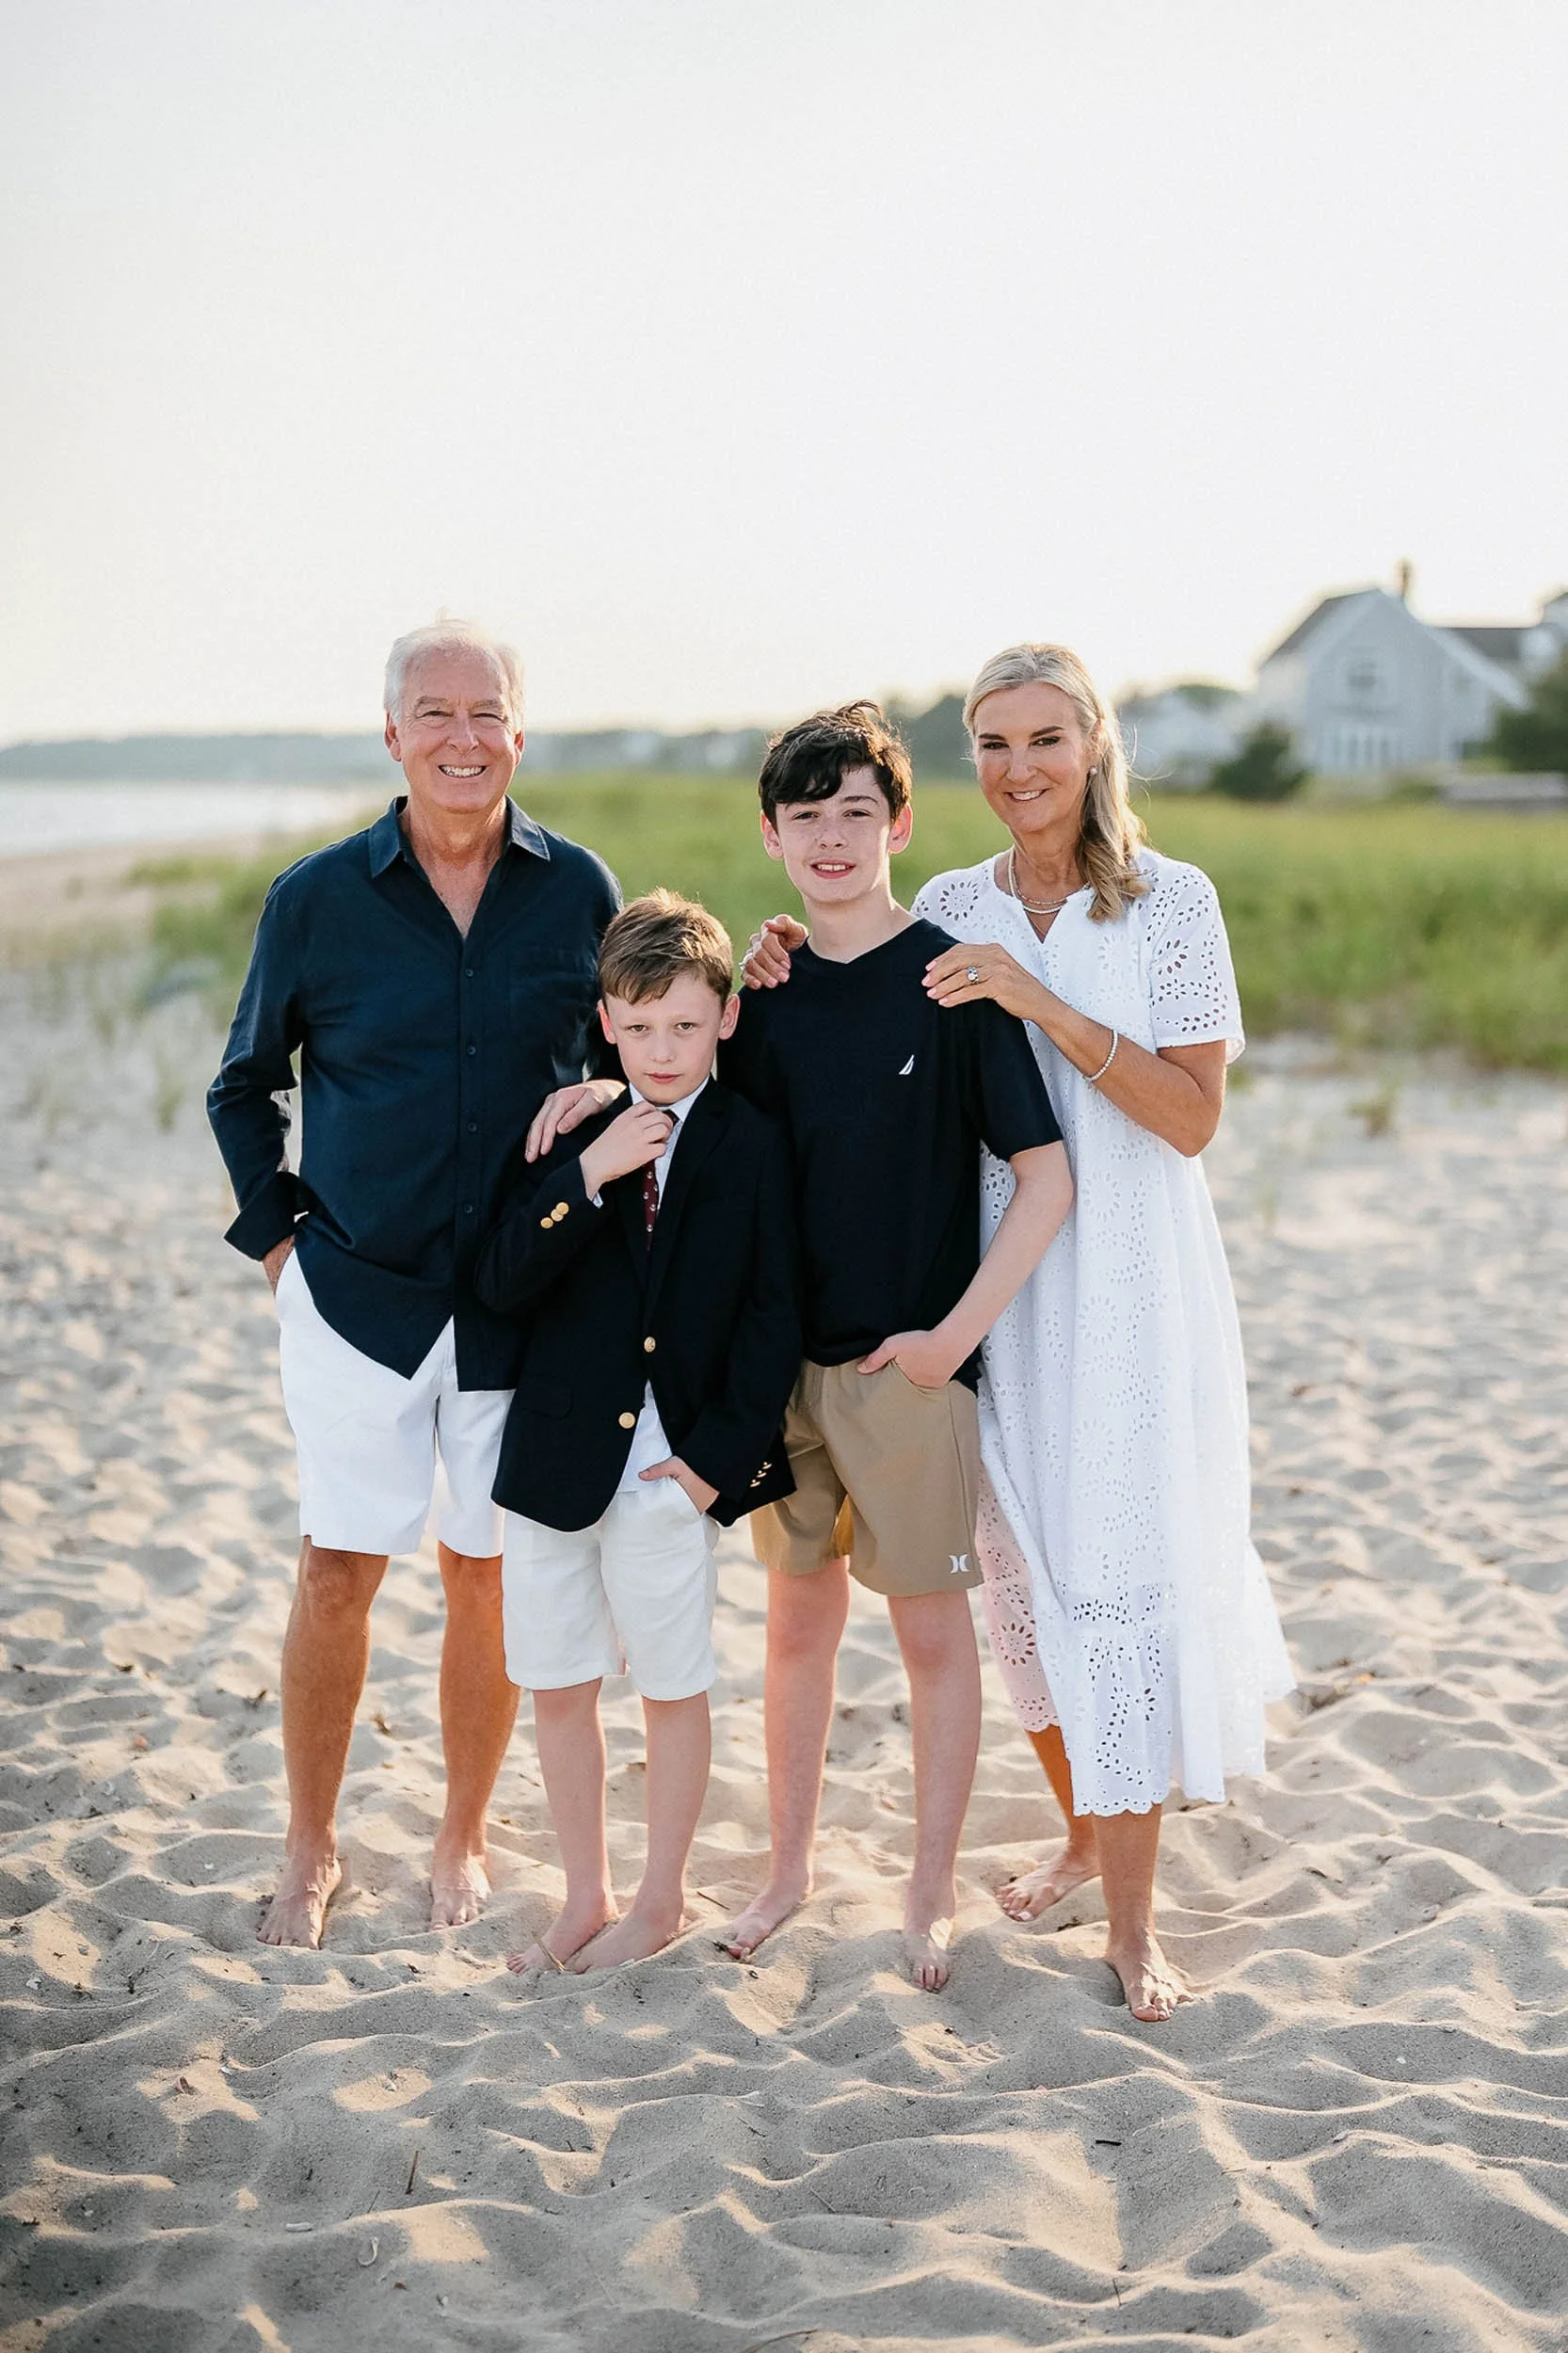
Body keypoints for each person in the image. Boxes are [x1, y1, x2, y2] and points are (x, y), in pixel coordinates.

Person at [744, 645, 1293, 2022]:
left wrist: (1045, 1003)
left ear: (1094, 741)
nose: (1019, 768)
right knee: (1017, 1586)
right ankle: (1077, 1825)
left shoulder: (1171, 905)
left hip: (1124, 1279)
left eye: (1046, 738)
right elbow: (856, 963)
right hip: (983, 1277)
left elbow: (1190, 1121)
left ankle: (1131, 1923)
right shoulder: (945, 897)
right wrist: (767, 956)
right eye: (992, 743)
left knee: (1111, 1573)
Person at [207, 621, 620, 1949]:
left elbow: (644, 1042)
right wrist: (282, 1248)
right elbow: (241, 1086)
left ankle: (461, 1836)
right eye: (433, 712)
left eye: (485, 711)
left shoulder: (577, 891)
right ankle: (311, 1842)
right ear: (392, 735)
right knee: (337, 1568)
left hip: (517, 1298)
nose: (461, 736)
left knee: (483, 1572)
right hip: (355, 1300)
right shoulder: (315, 899)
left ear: (518, 730)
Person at [717, 702, 1074, 1991]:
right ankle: (786, 1874)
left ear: (899, 823)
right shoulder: (753, 998)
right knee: (794, 1631)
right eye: (803, 818)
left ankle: (928, 1892)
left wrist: (948, 1344)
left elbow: (1044, 1181)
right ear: (770, 836)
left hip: (909, 1373)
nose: (829, 838)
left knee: (934, 1640)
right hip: (785, 1376)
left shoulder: (952, 981)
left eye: (854, 813)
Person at [473, 892, 800, 1974]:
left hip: (672, 1467)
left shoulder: (752, 1144)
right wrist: (587, 1176)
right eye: (642, 1025)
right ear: (606, 1021)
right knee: (559, 1682)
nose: (664, 1048)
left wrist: (712, 1467)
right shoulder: (566, 1132)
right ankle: (585, 1893)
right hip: (557, 1459)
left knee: (671, 1683)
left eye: (687, 1025)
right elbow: (502, 1278)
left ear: (724, 1022)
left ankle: (658, 1898)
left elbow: (771, 1319)